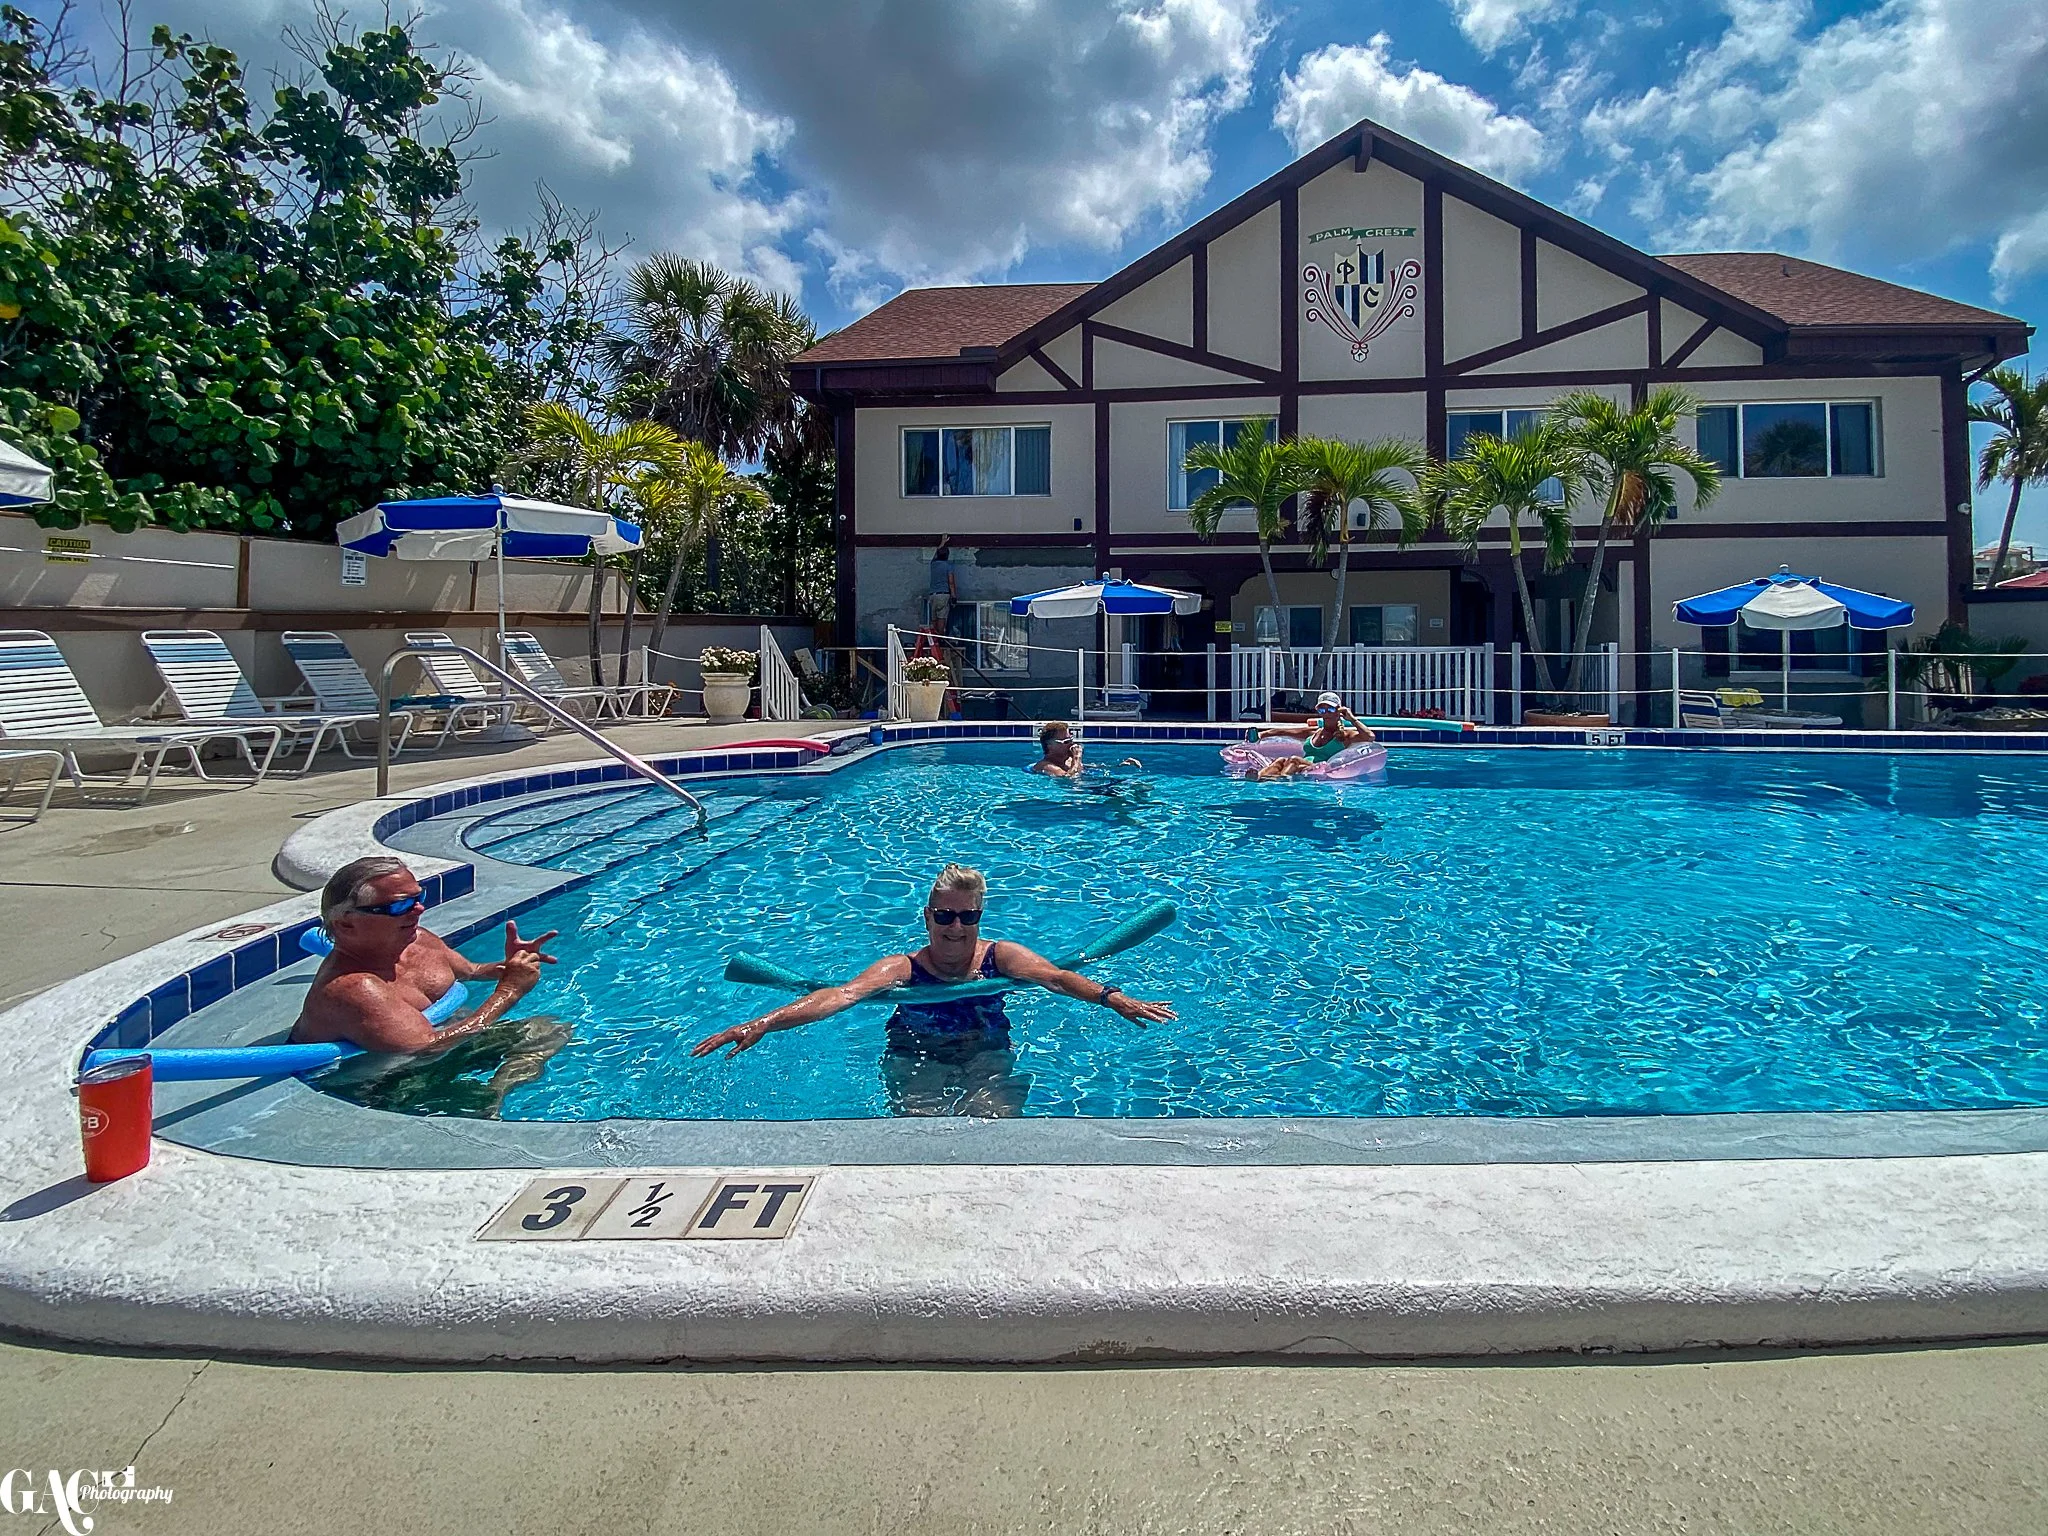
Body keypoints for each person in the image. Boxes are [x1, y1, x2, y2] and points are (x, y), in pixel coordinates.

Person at [690, 864, 1176, 1117]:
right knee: (919, 1131)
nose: (955, 927)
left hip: (986, 1052)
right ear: (927, 917)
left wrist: (1111, 997)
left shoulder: (1001, 956)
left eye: (967, 916)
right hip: (915, 1055)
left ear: (979, 917)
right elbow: (840, 996)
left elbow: (1056, 977)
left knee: (997, 1128)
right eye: (944, 915)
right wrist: (765, 1022)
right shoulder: (902, 968)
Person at [291, 856, 569, 1114]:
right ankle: (487, 1102)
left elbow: (471, 970)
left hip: (444, 1046)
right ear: (346, 924)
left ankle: (499, 1090)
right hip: (383, 1079)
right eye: (399, 906)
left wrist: (512, 965)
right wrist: (509, 992)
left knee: (546, 1031)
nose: (419, 909)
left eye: (418, 897)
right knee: (475, 1104)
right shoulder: (354, 988)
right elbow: (425, 1047)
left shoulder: (419, 940)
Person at [1248, 691, 1375, 780]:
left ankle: (1280, 781)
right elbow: (1284, 731)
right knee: (1281, 760)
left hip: (1321, 769)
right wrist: (1262, 734)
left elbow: (1369, 737)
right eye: (1322, 710)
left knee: (1294, 759)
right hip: (1301, 767)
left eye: (1330, 709)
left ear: (1339, 711)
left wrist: (1352, 719)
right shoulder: (1314, 732)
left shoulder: (1345, 735)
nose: (1326, 713)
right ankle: (1259, 777)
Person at [1029, 719, 1139, 777]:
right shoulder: (1045, 766)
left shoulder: (1069, 761)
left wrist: (1119, 766)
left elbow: (1091, 768)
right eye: (1066, 741)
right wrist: (1077, 757)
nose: (1071, 744)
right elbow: (1070, 779)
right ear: (1050, 746)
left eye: (1071, 739)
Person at [928, 535, 957, 637]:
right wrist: (954, 597)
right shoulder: (948, 566)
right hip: (943, 594)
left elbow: (936, 552)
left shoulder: (933, 564)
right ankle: (940, 636)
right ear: (947, 556)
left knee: (934, 616)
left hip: (932, 595)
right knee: (941, 616)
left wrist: (943, 542)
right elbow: (951, 582)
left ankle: (934, 637)